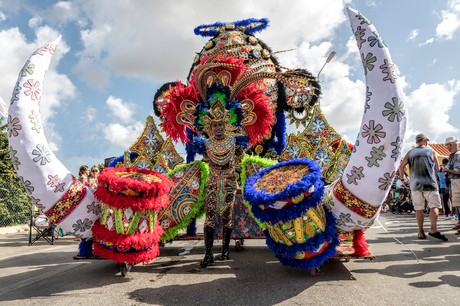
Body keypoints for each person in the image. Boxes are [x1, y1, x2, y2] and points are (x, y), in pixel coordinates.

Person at [200, 119, 244, 268]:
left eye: (220, 125)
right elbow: (203, 161)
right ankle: (208, 254)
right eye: (215, 125)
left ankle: (225, 250)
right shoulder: (206, 144)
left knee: (227, 216)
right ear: (210, 128)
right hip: (212, 183)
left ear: (225, 127)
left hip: (229, 183)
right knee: (210, 216)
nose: (218, 128)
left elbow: (242, 159)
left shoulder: (234, 142)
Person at [399, 133, 447, 241]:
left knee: (418, 209)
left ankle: (421, 232)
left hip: (415, 184)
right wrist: (434, 175)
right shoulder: (431, 151)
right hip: (429, 183)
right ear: (426, 141)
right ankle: (433, 228)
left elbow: (401, 166)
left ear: (416, 142)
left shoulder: (410, 152)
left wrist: (402, 180)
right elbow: (437, 168)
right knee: (434, 206)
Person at [442, 136, 460, 233]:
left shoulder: (457, 155)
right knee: (456, 203)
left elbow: (457, 171)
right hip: (455, 181)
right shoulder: (454, 155)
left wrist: (446, 169)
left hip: (457, 181)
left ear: (450, 145)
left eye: (447, 145)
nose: (446, 147)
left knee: (458, 204)